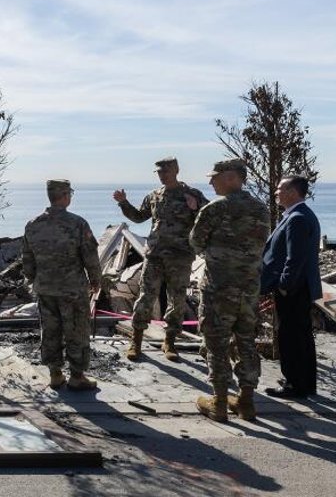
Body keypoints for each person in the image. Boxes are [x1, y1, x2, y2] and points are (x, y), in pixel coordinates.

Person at [189, 159, 269, 422]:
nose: (211, 182)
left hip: (218, 289)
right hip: (249, 289)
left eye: (216, 177)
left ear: (232, 178)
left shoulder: (214, 209)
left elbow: (195, 241)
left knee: (217, 344)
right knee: (246, 340)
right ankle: (246, 401)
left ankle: (220, 402)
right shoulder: (261, 209)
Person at [112, 157, 206, 362]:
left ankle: (170, 341)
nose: (163, 175)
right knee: (146, 296)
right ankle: (136, 341)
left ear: (176, 171)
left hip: (180, 255)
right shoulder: (154, 196)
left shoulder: (192, 195)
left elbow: (207, 218)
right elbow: (138, 217)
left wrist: (196, 206)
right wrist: (123, 203)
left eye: (166, 171)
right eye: (159, 172)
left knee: (177, 298)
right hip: (155, 254)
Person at [22, 179, 102, 391]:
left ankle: (55, 374)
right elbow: (90, 257)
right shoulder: (77, 224)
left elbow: (27, 260)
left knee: (50, 330)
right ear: (65, 196)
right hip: (72, 290)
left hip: (45, 289)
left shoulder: (33, 225)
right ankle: (77, 376)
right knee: (76, 331)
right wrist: (96, 281)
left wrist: (33, 280)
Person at [259, 175, 322, 400]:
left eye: (280, 188)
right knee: (300, 335)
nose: (276, 192)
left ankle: (295, 385)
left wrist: (284, 287)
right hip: (298, 287)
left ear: (293, 192)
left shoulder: (297, 218)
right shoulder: (297, 215)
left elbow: (294, 259)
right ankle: (303, 382)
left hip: (294, 289)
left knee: (291, 336)